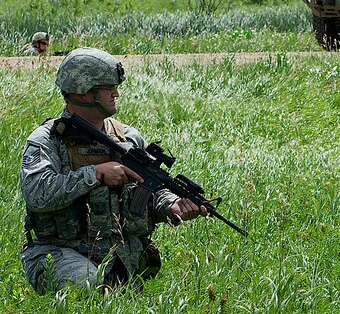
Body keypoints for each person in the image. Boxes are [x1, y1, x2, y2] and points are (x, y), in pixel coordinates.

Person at [20, 47, 208, 294]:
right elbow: (37, 194)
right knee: (85, 283)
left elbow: (150, 189)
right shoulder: (48, 140)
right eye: (108, 87)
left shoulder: (127, 138)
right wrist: (95, 174)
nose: (116, 93)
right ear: (84, 92)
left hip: (121, 254)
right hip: (61, 252)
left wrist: (171, 205)